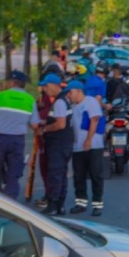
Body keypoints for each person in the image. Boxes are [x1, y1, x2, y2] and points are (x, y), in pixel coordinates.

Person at [0, 71, 40, 200]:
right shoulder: (30, 99)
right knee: (14, 171)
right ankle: (10, 199)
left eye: (8, 81)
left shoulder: (1, 96)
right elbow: (35, 124)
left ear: (13, 82)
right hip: (17, 140)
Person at [67, 81, 106, 216]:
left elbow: (94, 120)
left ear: (78, 91)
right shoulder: (73, 106)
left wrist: (88, 140)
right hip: (77, 147)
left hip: (93, 145)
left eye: (70, 92)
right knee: (79, 175)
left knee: (95, 174)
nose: (69, 95)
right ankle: (81, 203)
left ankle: (97, 204)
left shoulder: (90, 102)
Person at [37, 73, 74, 215]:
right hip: (64, 143)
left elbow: (60, 124)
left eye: (46, 86)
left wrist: (45, 129)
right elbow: (58, 119)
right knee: (61, 174)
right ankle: (60, 206)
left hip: (58, 144)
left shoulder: (59, 102)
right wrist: (45, 122)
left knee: (55, 174)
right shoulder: (64, 100)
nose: (45, 89)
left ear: (53, 85)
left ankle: (53, 205)